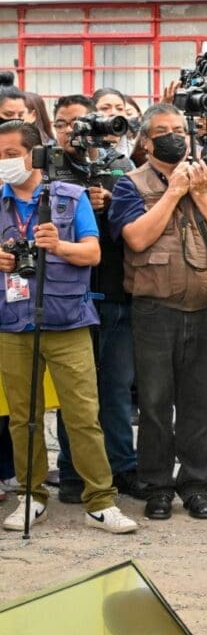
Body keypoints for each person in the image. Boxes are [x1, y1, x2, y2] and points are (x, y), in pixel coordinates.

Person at [0, 120, 138, 534]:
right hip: (12, 323)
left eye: (10, 154)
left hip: (68, 321)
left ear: (34, 154)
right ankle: (31, 496)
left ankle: (101, 501)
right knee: (22, 417)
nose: (4, 162)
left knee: (82, 415)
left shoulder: (69, 196)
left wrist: (58, 246)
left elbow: (93, 254)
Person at [108, 103, 207, 521]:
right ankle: (157, 485)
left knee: (201, 405)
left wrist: (200, 194)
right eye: (163, 132)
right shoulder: (130, 184)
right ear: (147, 143)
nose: (174, 137)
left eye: (180, 131)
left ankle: (197, 483)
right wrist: (172, 193)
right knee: (154, 404)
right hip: (154, 310)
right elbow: (136, 238)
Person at [47, 94, 143, 503]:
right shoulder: (46, 164)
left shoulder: (120, 166)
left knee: (116, 389)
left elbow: (135, 227)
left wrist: (110, 202)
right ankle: (72, 471)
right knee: (73, 392)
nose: (73, 131)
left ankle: (122, 466)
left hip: (115, 291)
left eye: (80, 121)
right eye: (64, 123)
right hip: (65, 296)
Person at [92, 88, 136, 160]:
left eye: (119, 109)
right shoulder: (86, 148)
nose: (114, 113)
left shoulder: (134, 149)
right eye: (105, 108)